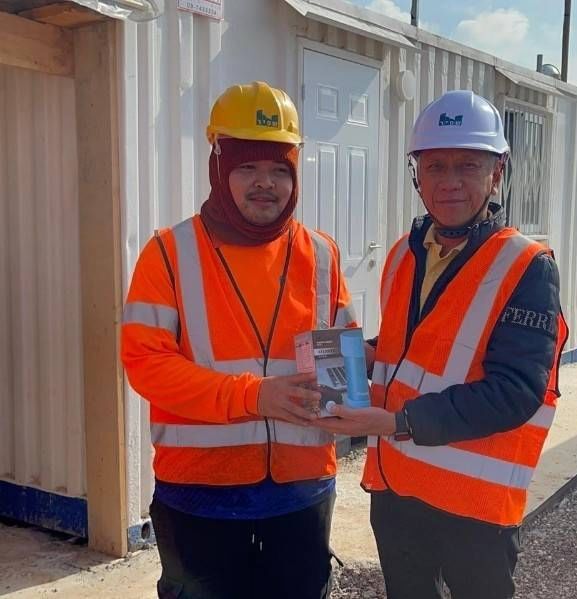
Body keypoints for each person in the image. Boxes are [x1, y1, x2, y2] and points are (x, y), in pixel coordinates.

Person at [318, 90, 569, 599]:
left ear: (497, 172)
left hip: (474, 508)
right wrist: (359, 354)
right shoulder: (404, 254)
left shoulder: (526, 266)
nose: (449, 182)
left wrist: (396, 422)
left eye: (467, 165)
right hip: (398, 494)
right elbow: (411, 348)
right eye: (435, 166)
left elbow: (515, 391)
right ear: (417, 174)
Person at [121, 81, 357, 599]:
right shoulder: (169, 253)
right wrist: (253, 395)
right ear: (218, 166)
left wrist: (365, 395)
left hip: (302, 495)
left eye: (279, 169)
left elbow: (340, 366)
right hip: (200, 498)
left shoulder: (321, 254)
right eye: (247, 166)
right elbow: (146, 365)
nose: (264, 183)